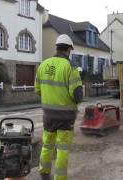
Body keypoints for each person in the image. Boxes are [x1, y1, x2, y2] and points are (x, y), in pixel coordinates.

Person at [35, 34, 83, 180]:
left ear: (56, 47)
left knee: (47, 144)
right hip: (65, 117)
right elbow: (77, 96)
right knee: (62, 148)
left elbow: (38, 90)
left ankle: (44, 173)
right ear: (69, 49)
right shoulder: (70, 67)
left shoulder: (43, 65)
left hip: (48, 115)